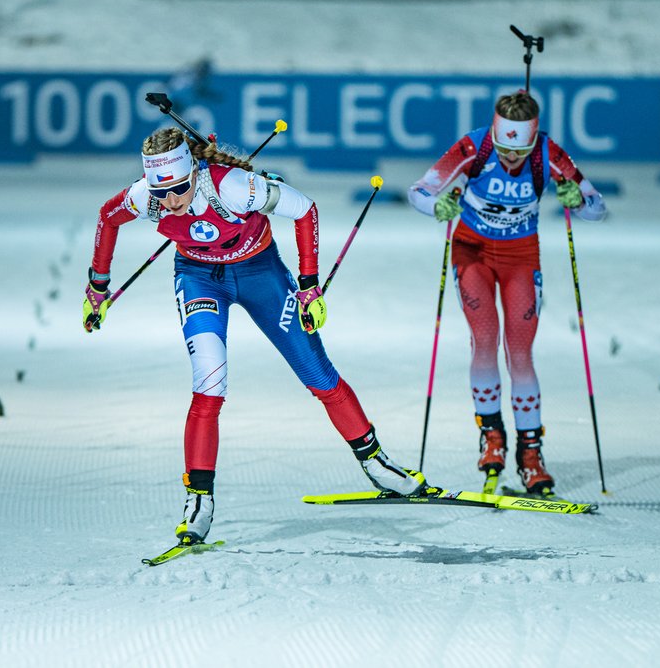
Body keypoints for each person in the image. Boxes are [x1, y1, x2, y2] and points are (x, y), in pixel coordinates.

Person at [84, 126, 429, 545]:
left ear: (193, 171)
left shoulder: (233, 187)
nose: (170, 201)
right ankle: (199, 500)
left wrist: (308, 285)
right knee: (208, 382)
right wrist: (97, 287)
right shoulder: (146, 197)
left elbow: (306, 210)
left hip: (260, 274)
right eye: (161, 193)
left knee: (318, 374)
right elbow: (107, 217)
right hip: (199, 279)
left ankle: (377, 464)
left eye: (178, 188)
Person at [407, 91, 606, 496]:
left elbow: (597, 206)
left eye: (520, 152)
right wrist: (438, 206)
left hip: (520, 256)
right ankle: (492, 437)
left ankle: (530, 455)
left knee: (520, 352)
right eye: (503, 150)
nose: (511, 160)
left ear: (533, 142)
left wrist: (579, 202)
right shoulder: (474, 146)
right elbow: (419, 191)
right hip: (473, 251)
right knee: (484, 341)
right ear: (494, 137)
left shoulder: (547, 152)